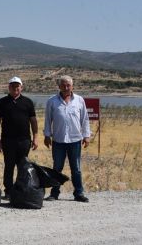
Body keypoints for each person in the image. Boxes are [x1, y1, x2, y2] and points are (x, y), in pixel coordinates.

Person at [44, 75, 91, 203]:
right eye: (63, 85)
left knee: (76, 168)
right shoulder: (52, 101)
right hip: (58, 140)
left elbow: (85, 119)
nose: (66, 87)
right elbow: (48, 119)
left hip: (75, 140)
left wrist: (86, 135)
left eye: (68, 85)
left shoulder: (80, 100)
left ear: (72, 86)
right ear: (59, 86)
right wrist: (47, 135)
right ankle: (54, 193)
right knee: (57, 168)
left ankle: (79, 193)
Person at [0, 76, 38, 199]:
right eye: (12, 86)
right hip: (8, 141)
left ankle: (21, 189)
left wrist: (35, 137)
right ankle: (8, 190)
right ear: (9, 87)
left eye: (17, 86)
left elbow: (33, 121)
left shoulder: (28, 102)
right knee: (9, 166)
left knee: (23, 166)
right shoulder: (2, 102)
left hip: (24, 140)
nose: (15, 88)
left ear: (21, 87)